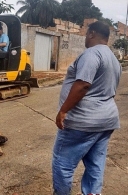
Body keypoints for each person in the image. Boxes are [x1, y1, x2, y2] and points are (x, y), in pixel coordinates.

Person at [52, 21, 122, 195]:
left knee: (63, 164)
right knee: (95, 163)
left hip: (82, 121)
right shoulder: (113, 59)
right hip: (106, 121)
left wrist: (63, 110)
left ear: (91, 33)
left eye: (86, 34)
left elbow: (83, 84)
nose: (85, 37)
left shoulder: (91, 54)